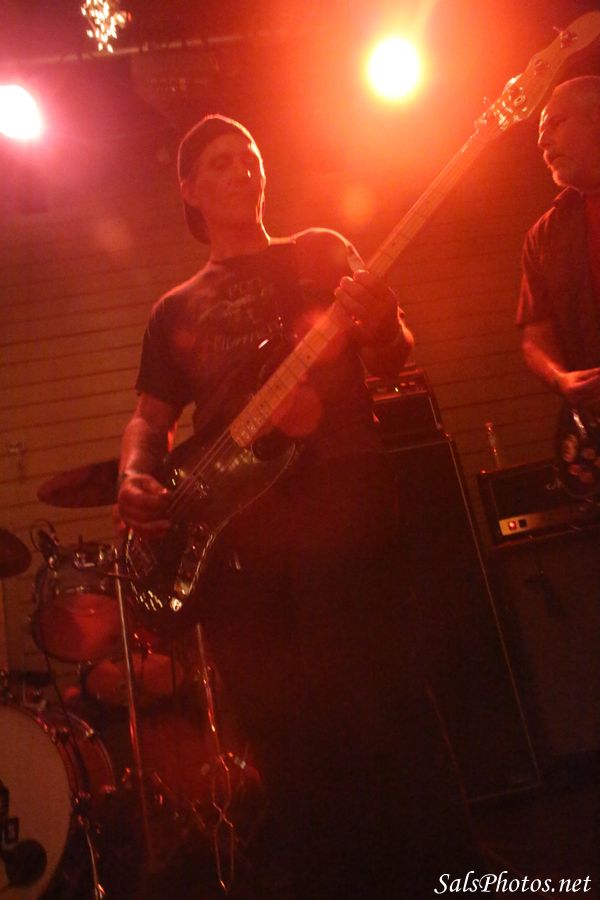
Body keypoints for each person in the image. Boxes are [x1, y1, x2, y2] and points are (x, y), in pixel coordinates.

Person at [117, 114, 478, 898]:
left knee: (390, 707)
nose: (242, 168)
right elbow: (149, 418)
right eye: (220, 162)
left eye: (249, 155)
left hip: (346, 502)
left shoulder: (319, 252)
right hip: (241, 544)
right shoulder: (175, 309)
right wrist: (136, 472)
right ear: (189, 190)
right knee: (288, 739)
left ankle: (451, 879)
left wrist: (381, 319)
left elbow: (393, 352)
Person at [518, 76, 600, 406]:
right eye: (540, 132)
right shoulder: (544, 235)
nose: (541, 141)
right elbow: (536, 332)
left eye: (556, 122)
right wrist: (559, 378)